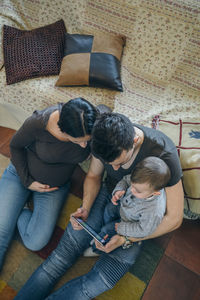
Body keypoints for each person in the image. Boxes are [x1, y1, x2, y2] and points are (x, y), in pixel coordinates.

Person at [15, 112, 184, 300]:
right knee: (56, 261)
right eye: (111, 164)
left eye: (120, 163)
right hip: (108, 196)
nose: (117, 170)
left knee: (95, 285)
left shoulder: (163, 154)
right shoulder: (101, 139)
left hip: (140, 217)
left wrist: (127, 238)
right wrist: (85, 208)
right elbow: (95, 176)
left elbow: (174, 219)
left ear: (135, 140)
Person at [0, 97, 98, 272]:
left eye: (87, 140)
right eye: (78, 141)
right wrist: (27, 182)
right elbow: (15, 146)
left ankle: (18, 209)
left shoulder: (92, 124)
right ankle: (13, 208)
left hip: (54, 188)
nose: (85, 146)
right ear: (63, 130)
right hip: (21, 174)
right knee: (1, 234)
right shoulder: (39, 122)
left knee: (35, 241)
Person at [84, 156, 171, 256]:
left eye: (137, 191)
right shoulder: (139, 179)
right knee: (109, 209)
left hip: (129, 223)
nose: (132, 190)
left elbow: (144, 230)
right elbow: (125, 180)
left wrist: (122, 228)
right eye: (132, 186)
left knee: (107, 231)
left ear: (155, 193)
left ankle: (97, 249)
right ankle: (102, 229)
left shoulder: (154, 210)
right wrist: (119, 190)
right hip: (123, 206)